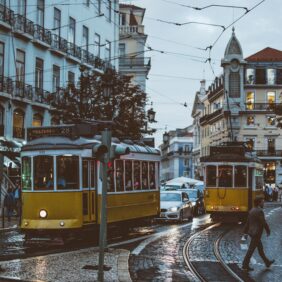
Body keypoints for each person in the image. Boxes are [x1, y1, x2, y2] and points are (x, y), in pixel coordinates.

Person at [242, 196, 275, 271]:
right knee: (251, 250)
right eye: (262, 202)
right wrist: (268, 230)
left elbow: (248, 223)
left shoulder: (252, 210)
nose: (263, 203)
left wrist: (245, 232)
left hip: (252, 232)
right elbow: (263, 222)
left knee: (260, 249)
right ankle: (244, 265)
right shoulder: (259, 211)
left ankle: (267, 262)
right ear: (259, 203)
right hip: (256, 233)